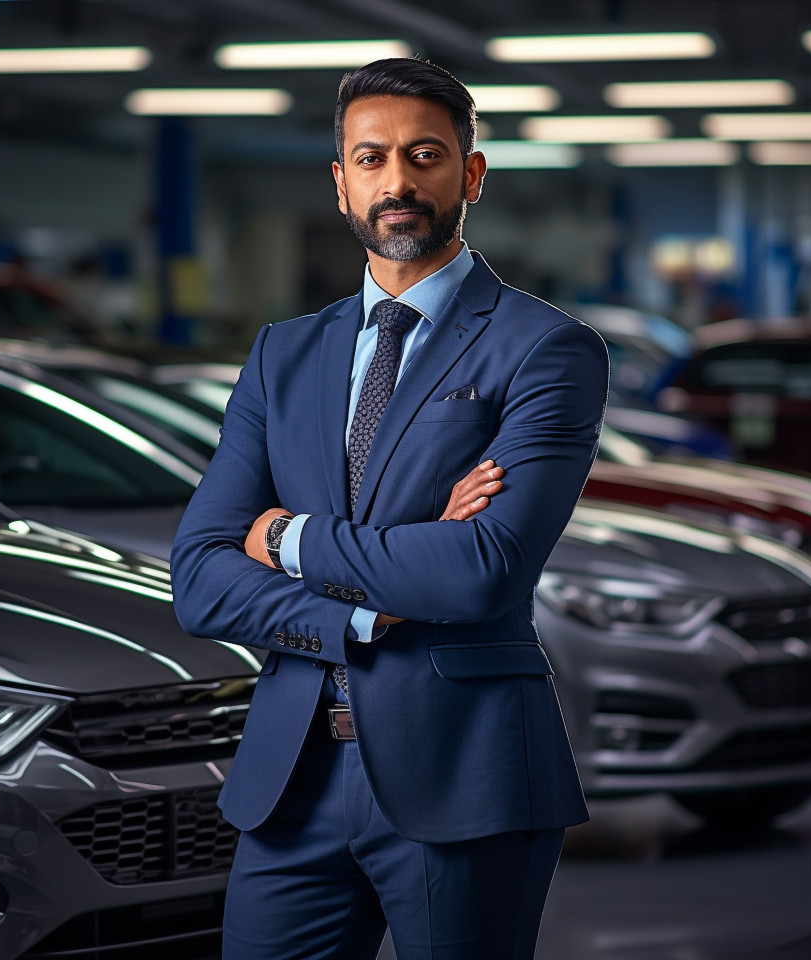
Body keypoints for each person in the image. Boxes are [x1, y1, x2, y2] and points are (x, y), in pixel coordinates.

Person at [171, 56, 609, 960]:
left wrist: (286, 536)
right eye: (371, 160)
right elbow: (202, 578)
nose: (397, 181)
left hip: (465, 770)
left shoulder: (546, 351)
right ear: (340, 185)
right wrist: (372, 608)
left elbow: (481, 568)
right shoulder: (281, 355)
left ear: (471, 174)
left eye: (424, 155)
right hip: (293, 775)